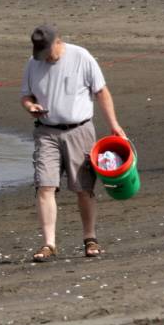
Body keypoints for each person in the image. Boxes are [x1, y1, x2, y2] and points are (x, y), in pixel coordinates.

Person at [20, 24, 126, 262]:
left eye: (47, 51)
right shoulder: (33, 63)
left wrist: (114, 125)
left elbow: (101, 92)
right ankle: (48, 243)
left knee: (83, 187)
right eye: (40, 52)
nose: (44, 57)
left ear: (58, 42)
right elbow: (26, 95)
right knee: (44, 186)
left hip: (79, 130)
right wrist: (30, 106)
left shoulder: (81, 56)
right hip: (46, 131)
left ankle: (90, 238)